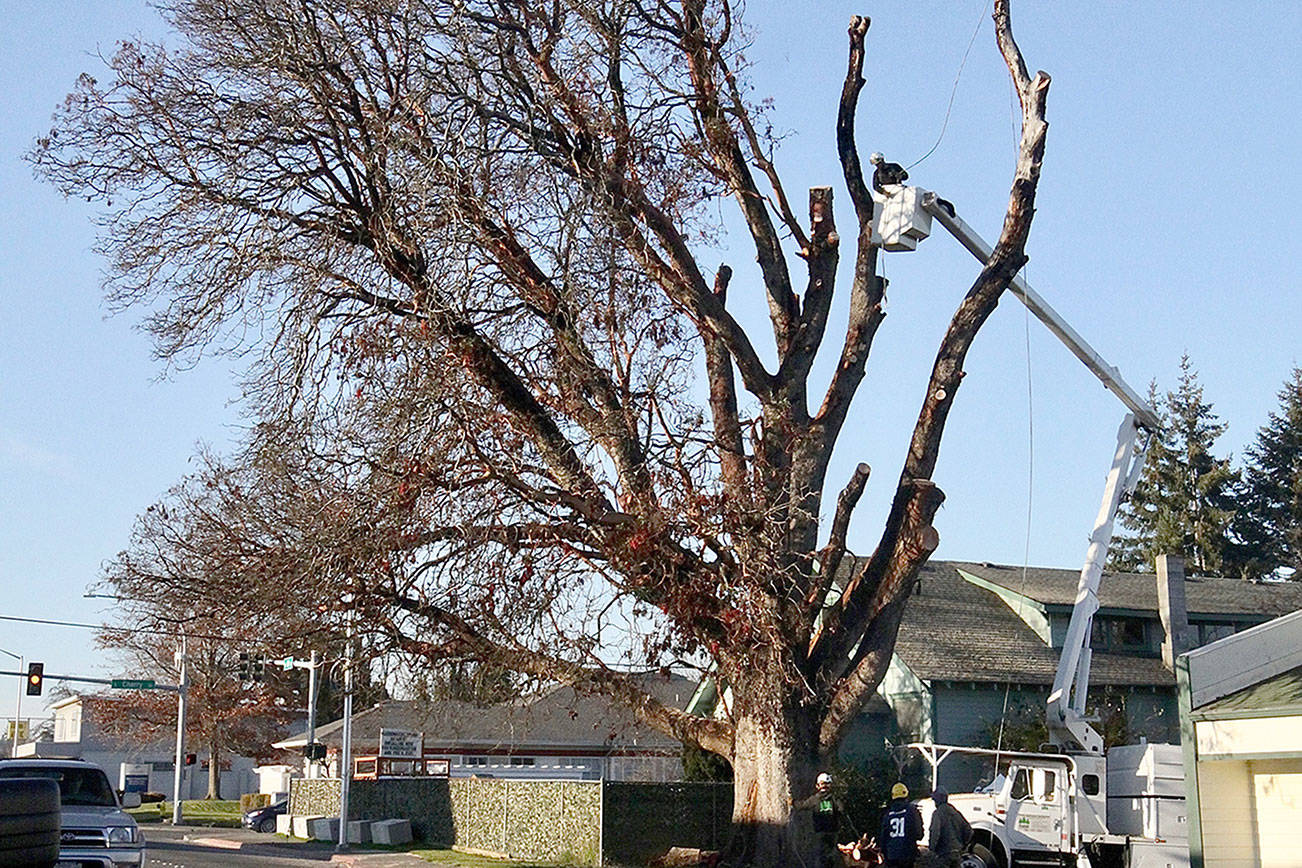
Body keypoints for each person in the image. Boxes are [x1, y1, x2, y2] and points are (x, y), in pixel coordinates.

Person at [793, 772, 844, 868]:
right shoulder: (834, 798)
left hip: (819, 832)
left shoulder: (815, 799)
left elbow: (802, 805)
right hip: (832, 831)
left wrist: (792, 802)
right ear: (830, 785)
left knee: (820, 855)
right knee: (831, 854)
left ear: (818, 786)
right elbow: (841, 810)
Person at [878, 782, 923, 868]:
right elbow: (919, 834)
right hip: (908, 856)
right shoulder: (912, 810)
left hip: (891, 856)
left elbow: (883, 837)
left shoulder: (887, 814)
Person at [928, 788, 973, 868]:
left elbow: (935, 833)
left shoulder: (937, 813)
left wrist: (931, 849)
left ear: (937, 800)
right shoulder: (955, 812)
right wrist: (963, 845)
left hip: (943, 854)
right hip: (957, 853)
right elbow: (969, 831)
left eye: (934, 800)